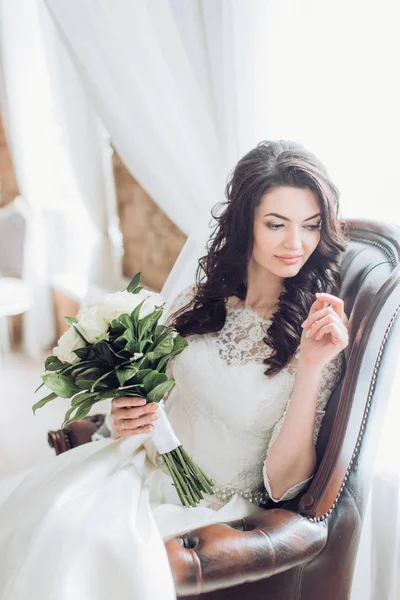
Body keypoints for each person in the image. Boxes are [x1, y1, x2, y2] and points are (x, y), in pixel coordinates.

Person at [0, 140, 348, 600]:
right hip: (140, 467)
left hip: (211, 505)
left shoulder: (315, 338)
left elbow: (284, 485)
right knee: (35, 511)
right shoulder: (198, 301)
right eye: (276, 224)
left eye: (310, 226)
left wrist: (308, 368)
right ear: (246, 225)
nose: (296, 243)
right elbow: (157, 396)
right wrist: (124, 414)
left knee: (82, 546)